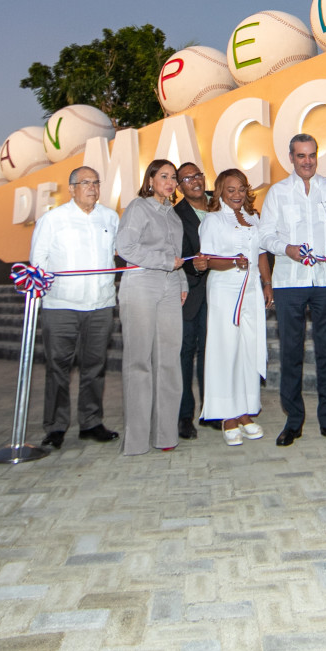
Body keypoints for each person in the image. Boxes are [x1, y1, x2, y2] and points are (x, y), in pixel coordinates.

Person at [257, 134, 326, 447]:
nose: (307, 161)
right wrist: (286, 248)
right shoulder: (277, 192)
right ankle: (293, 421)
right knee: (291, 353)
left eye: (312, 155)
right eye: (301, 156)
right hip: (289, 282)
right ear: (291, 157)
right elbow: (264, 235)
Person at [30, 166, 121, 449]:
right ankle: (56, 426)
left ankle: (91, 422)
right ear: (71, 189)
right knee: (58, 367)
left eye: (96, 182)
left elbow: (117, 254)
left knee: (94, 366)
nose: (92, 187)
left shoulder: (110, 217)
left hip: (101, 304)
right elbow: (38, 260)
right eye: (85, 183)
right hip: (61, 306)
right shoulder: (52, 219)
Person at [116, 160, 189, 454]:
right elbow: (125, 247)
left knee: (168, 361)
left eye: (173, 178)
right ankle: (135, 440)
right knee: (139, 362)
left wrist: (182, 282)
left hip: (170, 286)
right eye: (164, 176)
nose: (170, 182)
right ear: (150, 180)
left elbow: (176, 255)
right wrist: (165, 262)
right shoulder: (138, 207)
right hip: (140, 284)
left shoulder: (174, 216)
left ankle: (165, 435)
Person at [198, 168, 271, 446]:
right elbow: (207, 260)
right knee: (225, 349)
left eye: (241, 189)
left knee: (249, 348)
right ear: (220, 192)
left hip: (251, 289)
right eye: (231, 190)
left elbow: (261, 254)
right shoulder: (213, 220)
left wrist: (267, 283)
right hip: (225, 290)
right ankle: (226, 416)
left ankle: (244, 411)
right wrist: (232, 261)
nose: (237, 194)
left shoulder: (254, 218)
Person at [173, 162, 211, 440]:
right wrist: (193, 266)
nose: (194, 181)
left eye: (197, 175)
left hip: (222, 290)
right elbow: (178, 254)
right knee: (186, 353)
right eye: (187, 179)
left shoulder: (221, 203)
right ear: (179, 187)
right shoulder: (176, 214)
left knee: (212, 353)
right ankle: (184, 415)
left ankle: (211, 410)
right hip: (191, 292)